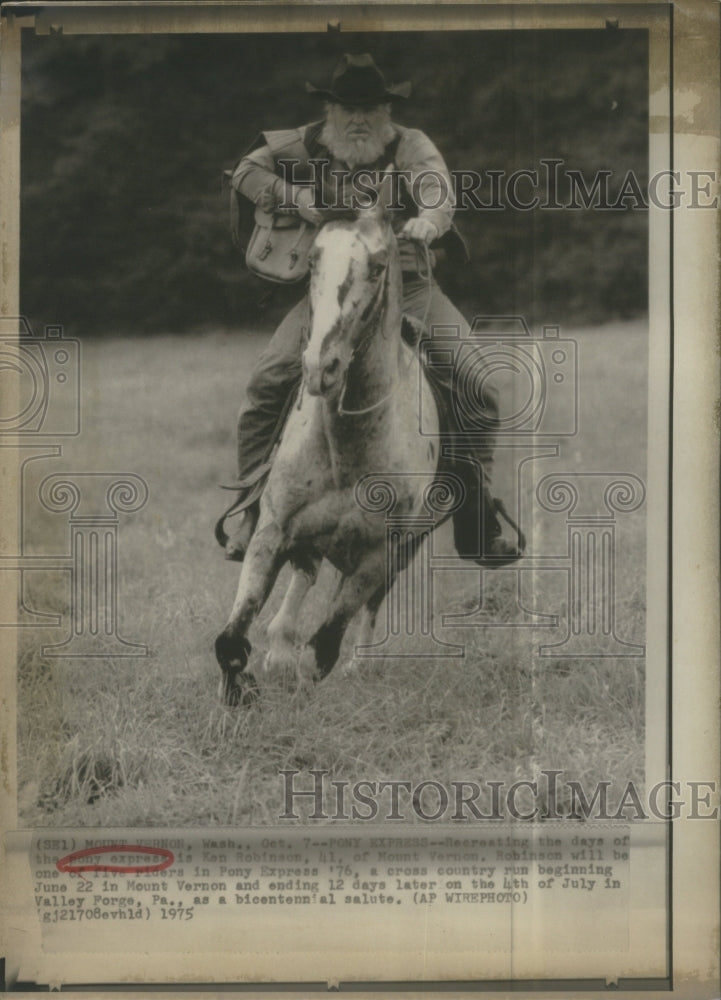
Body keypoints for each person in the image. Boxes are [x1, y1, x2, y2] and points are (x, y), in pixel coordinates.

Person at [217, 53, 524, 566]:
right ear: (330, 109)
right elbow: (247, 171)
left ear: (387, 109)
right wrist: (296, 199)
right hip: (333, 292)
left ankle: (476, 519)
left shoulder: (410, 144)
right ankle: (253, 509)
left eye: (370, 107)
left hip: (407, 284)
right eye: (347, 107)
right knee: (267, 383)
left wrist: (429, 221)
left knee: (477, 381)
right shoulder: (304, 143)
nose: (358, 118)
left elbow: (437, 189)